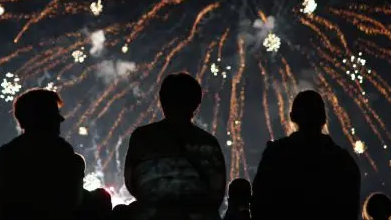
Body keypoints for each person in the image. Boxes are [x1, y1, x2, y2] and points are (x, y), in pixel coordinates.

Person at [124, 72, 226, 220]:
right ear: (196, 104)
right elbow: (217, 191)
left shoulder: (142, 137)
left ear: (162, 101)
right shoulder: (208, 143)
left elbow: (131, 182)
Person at [251, 90, 361, 220]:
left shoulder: (275, 155)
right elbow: (350, 210)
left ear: (292, 117)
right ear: (324, 119)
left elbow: (259, 204)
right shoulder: (343, 160)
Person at [0, 88, 85, 220]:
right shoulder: (63, 157)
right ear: (40, 117)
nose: (61, 119)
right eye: (54, 113)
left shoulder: (5, 159)